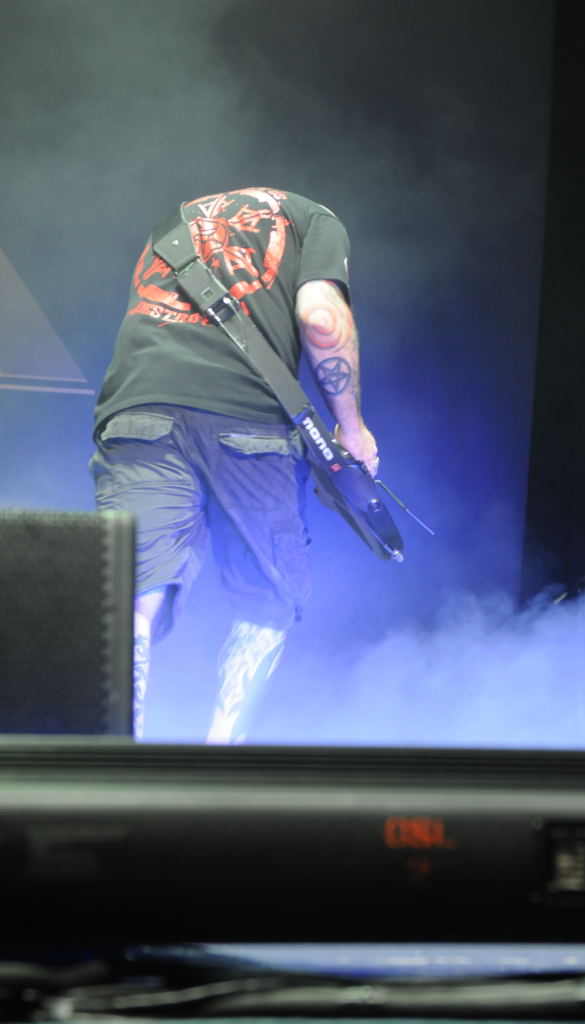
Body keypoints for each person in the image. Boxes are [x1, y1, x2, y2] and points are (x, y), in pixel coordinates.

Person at [90, 187, 378, 742]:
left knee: (132, 587)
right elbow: (321, 317)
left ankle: (116, 759)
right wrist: (351, 428)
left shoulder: (171, 224)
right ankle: (221, 757)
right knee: (268, 598)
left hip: (138, 410)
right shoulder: (314, 218)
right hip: (247, 419)